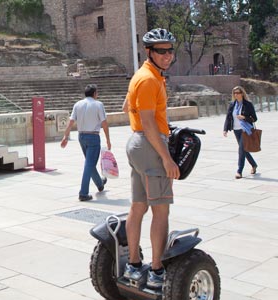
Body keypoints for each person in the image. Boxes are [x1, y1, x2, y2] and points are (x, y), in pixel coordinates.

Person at [122, 28, 180, 290]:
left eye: (169, 50)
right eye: (161, 51)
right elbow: (148, 123)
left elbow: (127, 107)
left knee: (138, 206)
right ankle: (156, 271)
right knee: (161, 210)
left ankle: (133, 266)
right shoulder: (148, 80)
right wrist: (166, 158)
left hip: (138, 145)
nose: (167, 55)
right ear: (149, 52)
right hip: (149, 145)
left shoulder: (144, 76)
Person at [61, 84, 111, 201]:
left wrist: (65, 136)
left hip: (81, 136)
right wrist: (108, 139)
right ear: (94, 94)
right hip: (93, 136)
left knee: (89, 162)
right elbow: (104, 123)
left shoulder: (77, 104)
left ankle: (99, 183)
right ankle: (83, 193)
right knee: (89, 164)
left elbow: (71, 121)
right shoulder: (98, 104)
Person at [223, 86, 258, 179]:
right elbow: (228, 117)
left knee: (241, 150)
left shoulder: (248, 104)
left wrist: (244, 117)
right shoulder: (232, 104)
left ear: (242, 93)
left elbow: (254, 118)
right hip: (236, 130)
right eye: (234, 93)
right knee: (244, 150)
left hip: (245, 130)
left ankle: (239, 171)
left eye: (238, 93)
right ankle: (254, 165)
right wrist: (225, 129)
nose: (236, 95)